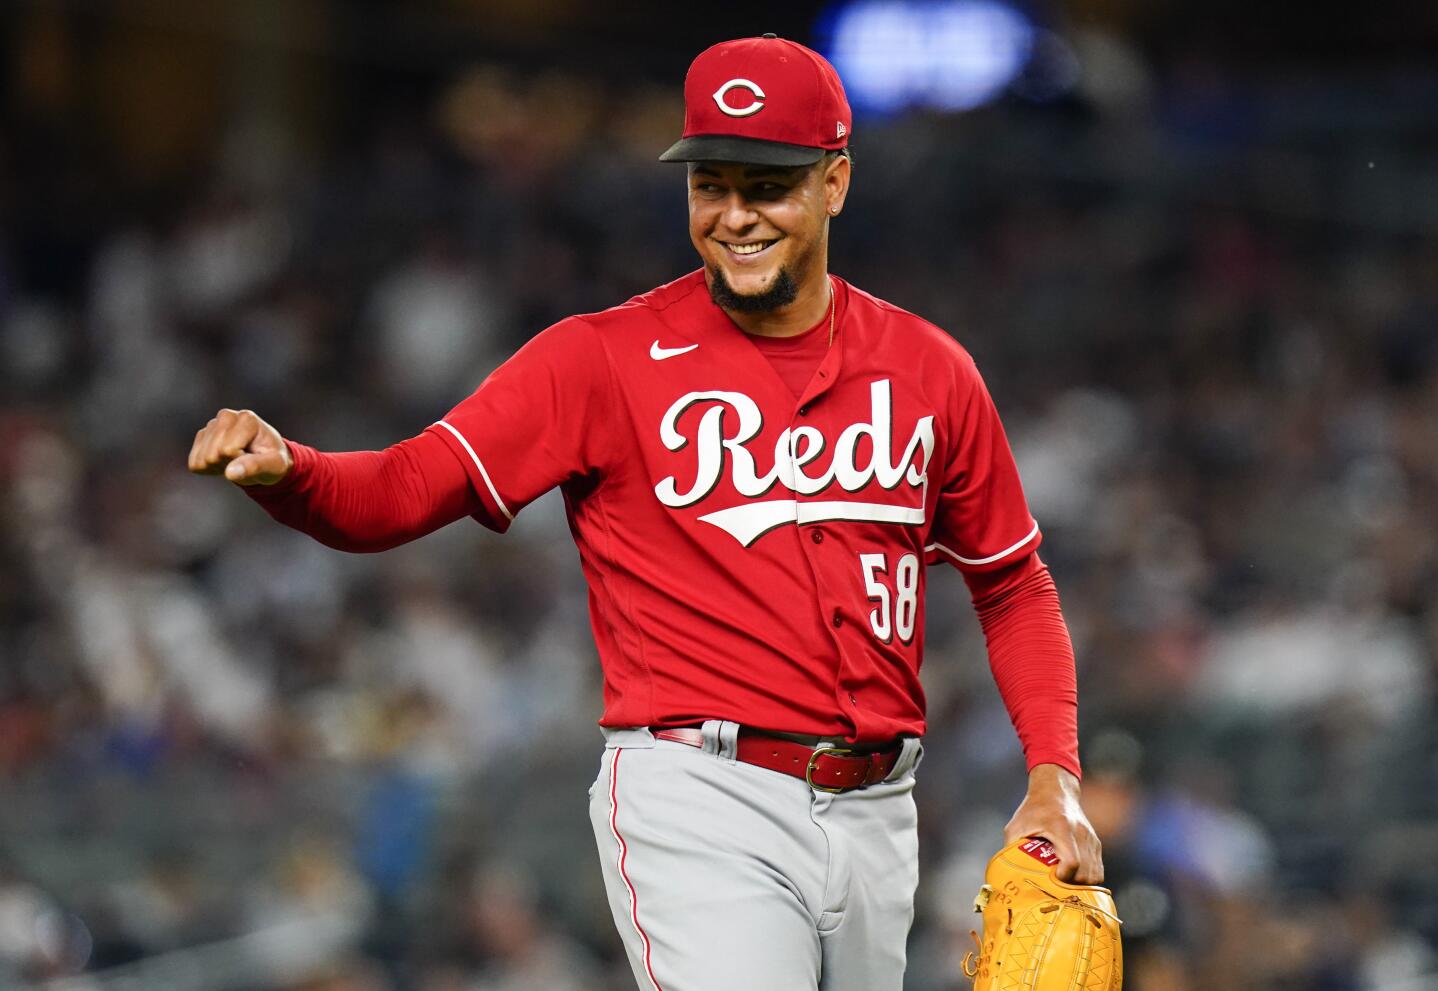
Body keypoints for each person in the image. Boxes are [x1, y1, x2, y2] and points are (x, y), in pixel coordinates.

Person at [187, 34, 1102, 991]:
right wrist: (290, 470)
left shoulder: (930, 370)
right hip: (701, 793)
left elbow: (1011, 584)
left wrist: (1055, 777)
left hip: (881, 809)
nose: (736, 216)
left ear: (835, 182)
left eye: (769, 185)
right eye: (713, 185)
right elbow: (402, 490)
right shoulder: (601, 358)